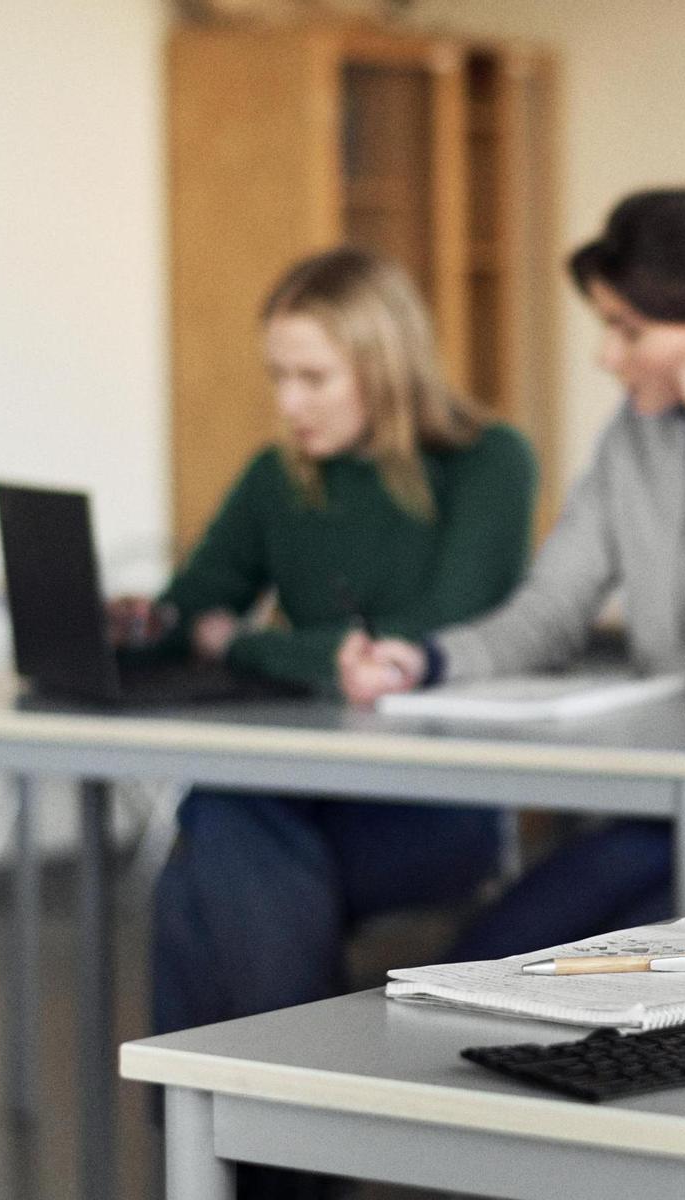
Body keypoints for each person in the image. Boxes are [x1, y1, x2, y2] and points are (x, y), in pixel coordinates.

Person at [341, 187, 685, 956]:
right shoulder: (636, 435)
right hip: (667, 810)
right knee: (486, 959)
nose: (606, 357)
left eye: (628, 329)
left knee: (579, 969)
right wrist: (428, 659)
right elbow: (550, 610)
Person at [146, 246, 536, 1049]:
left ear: (385, 368)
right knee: (227, 825)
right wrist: (298, 653)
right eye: (277, 377)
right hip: (297, 793)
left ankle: (216, 1156)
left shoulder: (488, 464)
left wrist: (247, 643)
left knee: (208, 856)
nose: (290, 403)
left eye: (313, 379)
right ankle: (282, 1142)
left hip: (432, 806)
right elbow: (190, 616)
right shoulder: (278, 476)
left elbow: (427, 638)